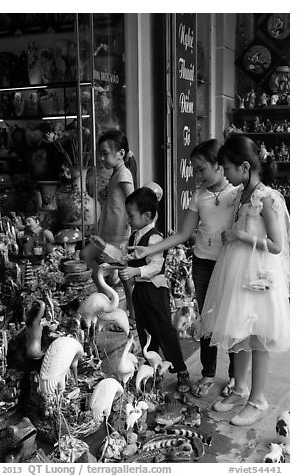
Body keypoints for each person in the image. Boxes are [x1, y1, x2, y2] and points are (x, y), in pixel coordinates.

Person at [129, 139, 238, 397]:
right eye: (194, 170)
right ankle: (209, 373)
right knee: (207, 320)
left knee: (233, 320)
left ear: (219, 165)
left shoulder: (236, 193)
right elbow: (182, 234)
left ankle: (236, 377)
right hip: (202, 264)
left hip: (229, 264)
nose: (197, 176)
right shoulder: (199, 197)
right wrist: (149, 250)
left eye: (201, 169)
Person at [200, 135, 290, 426]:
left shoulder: (266, 198)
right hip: (238, 270)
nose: (224, 173)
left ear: (245, 166)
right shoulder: (240, 194)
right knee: (239, 330)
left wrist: (240, 236)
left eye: (226, 167)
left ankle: (258, 399)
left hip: (259, 275)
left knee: (258, 335)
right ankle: (240, 387)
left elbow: (277, 245)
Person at [120, 187, 191, 393]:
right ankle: (153, 371)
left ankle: (181, 370)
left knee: (164, 331)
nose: (129, 219)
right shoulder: (134, 237)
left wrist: (135, 270)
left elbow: (155, 266)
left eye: (131, 215)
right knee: (145, 333)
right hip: (140, 292)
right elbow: (127, 257)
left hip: (155, 291)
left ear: (147, 216)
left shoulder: (154, 239)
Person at [80, 129, 135, 321]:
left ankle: (132, 314)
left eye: (105, 154)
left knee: (125, 276)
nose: (102, 158)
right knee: (86, 255)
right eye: (100, 154)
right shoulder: (116, 174)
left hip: (118, 235)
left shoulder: (123, 174)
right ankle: (106, 298)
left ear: (120, 154)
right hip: (107, 234)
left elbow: (133, 200)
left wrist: (132, 225)